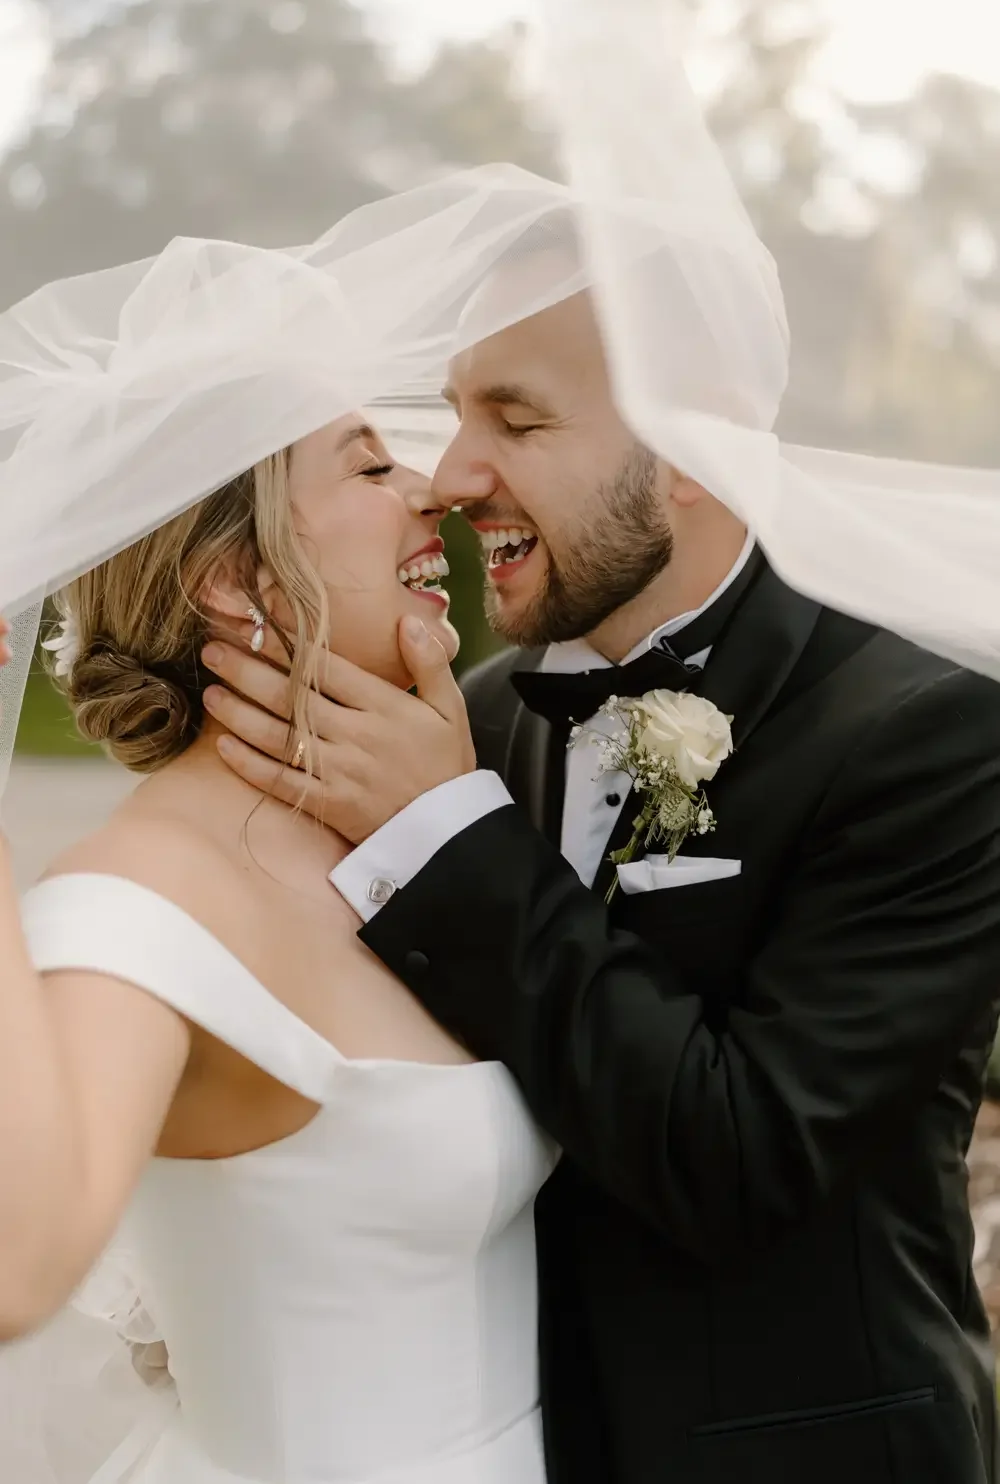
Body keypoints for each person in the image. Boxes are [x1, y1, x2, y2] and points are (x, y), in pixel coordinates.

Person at [207, 277, 1000, 1484]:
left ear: (693, 441)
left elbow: (746, 1157)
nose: (454, 475)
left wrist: (448, 830)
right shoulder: (463, 721)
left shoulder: (932, 736)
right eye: (455, 414)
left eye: (517, 424)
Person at [0, 418, 554, 1484]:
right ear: (232, 580)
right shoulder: (131, 906)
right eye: (370, 464)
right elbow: (20, 1269)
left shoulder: (423, 828)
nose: (432, 487)